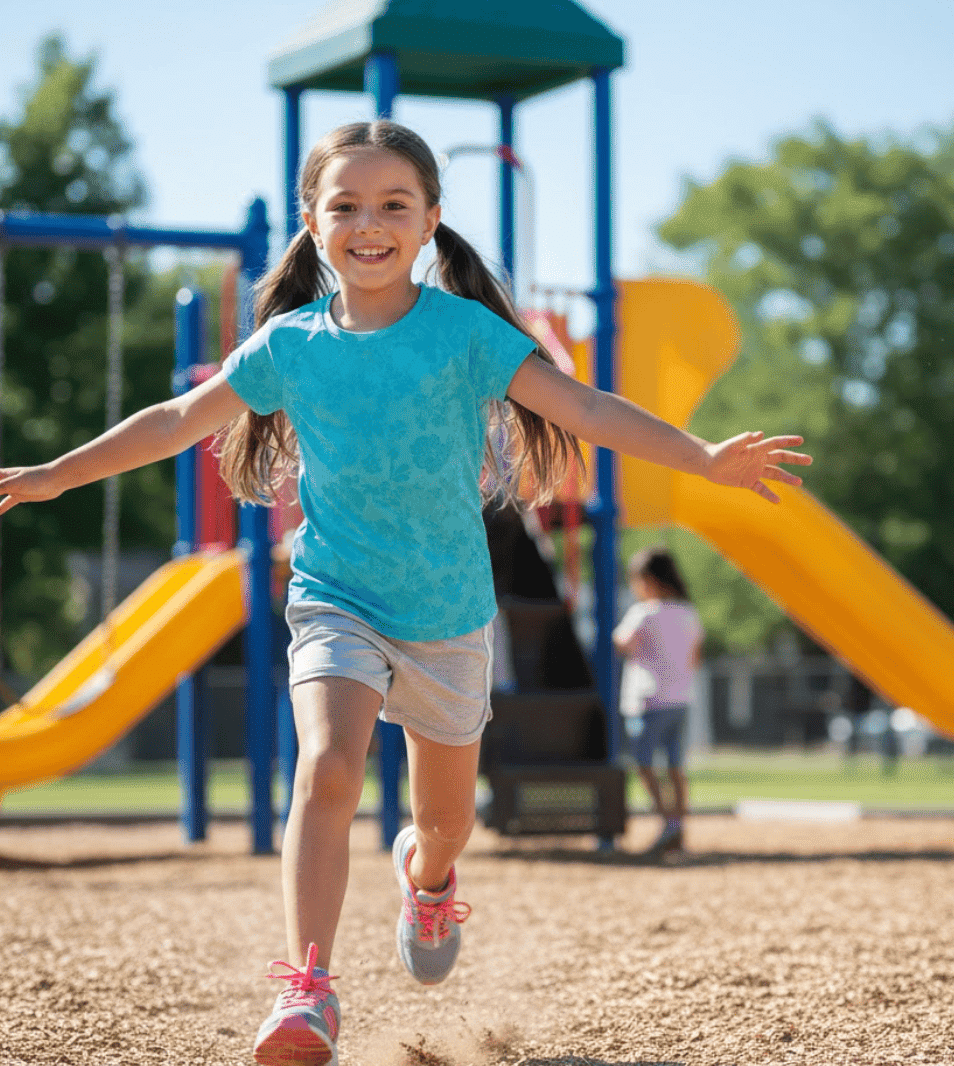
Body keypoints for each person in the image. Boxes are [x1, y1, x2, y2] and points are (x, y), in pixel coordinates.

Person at [0, 120, 810, 1066]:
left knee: (444, 821)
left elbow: (584, 408)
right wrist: (58, 472)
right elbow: (180, 418)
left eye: (394, 205)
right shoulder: (289, 346)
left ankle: (427, 881)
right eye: (345, 205)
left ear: (430, 222)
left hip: (448, 617)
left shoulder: (467, 335)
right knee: (328, 770)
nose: (369, 224)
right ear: (312, 223)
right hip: (335, 595)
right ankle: (306, 992)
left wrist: (703, 456)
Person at [612, 546, 703, 856]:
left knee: (643, 762)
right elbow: (695, 658)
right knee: (676, 765)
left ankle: (668, 822)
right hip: (681, 698)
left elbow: (621, 643)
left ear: (648, 581)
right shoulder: (689, 613)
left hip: (648, 700)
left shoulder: (643, 613)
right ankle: (679, 826)